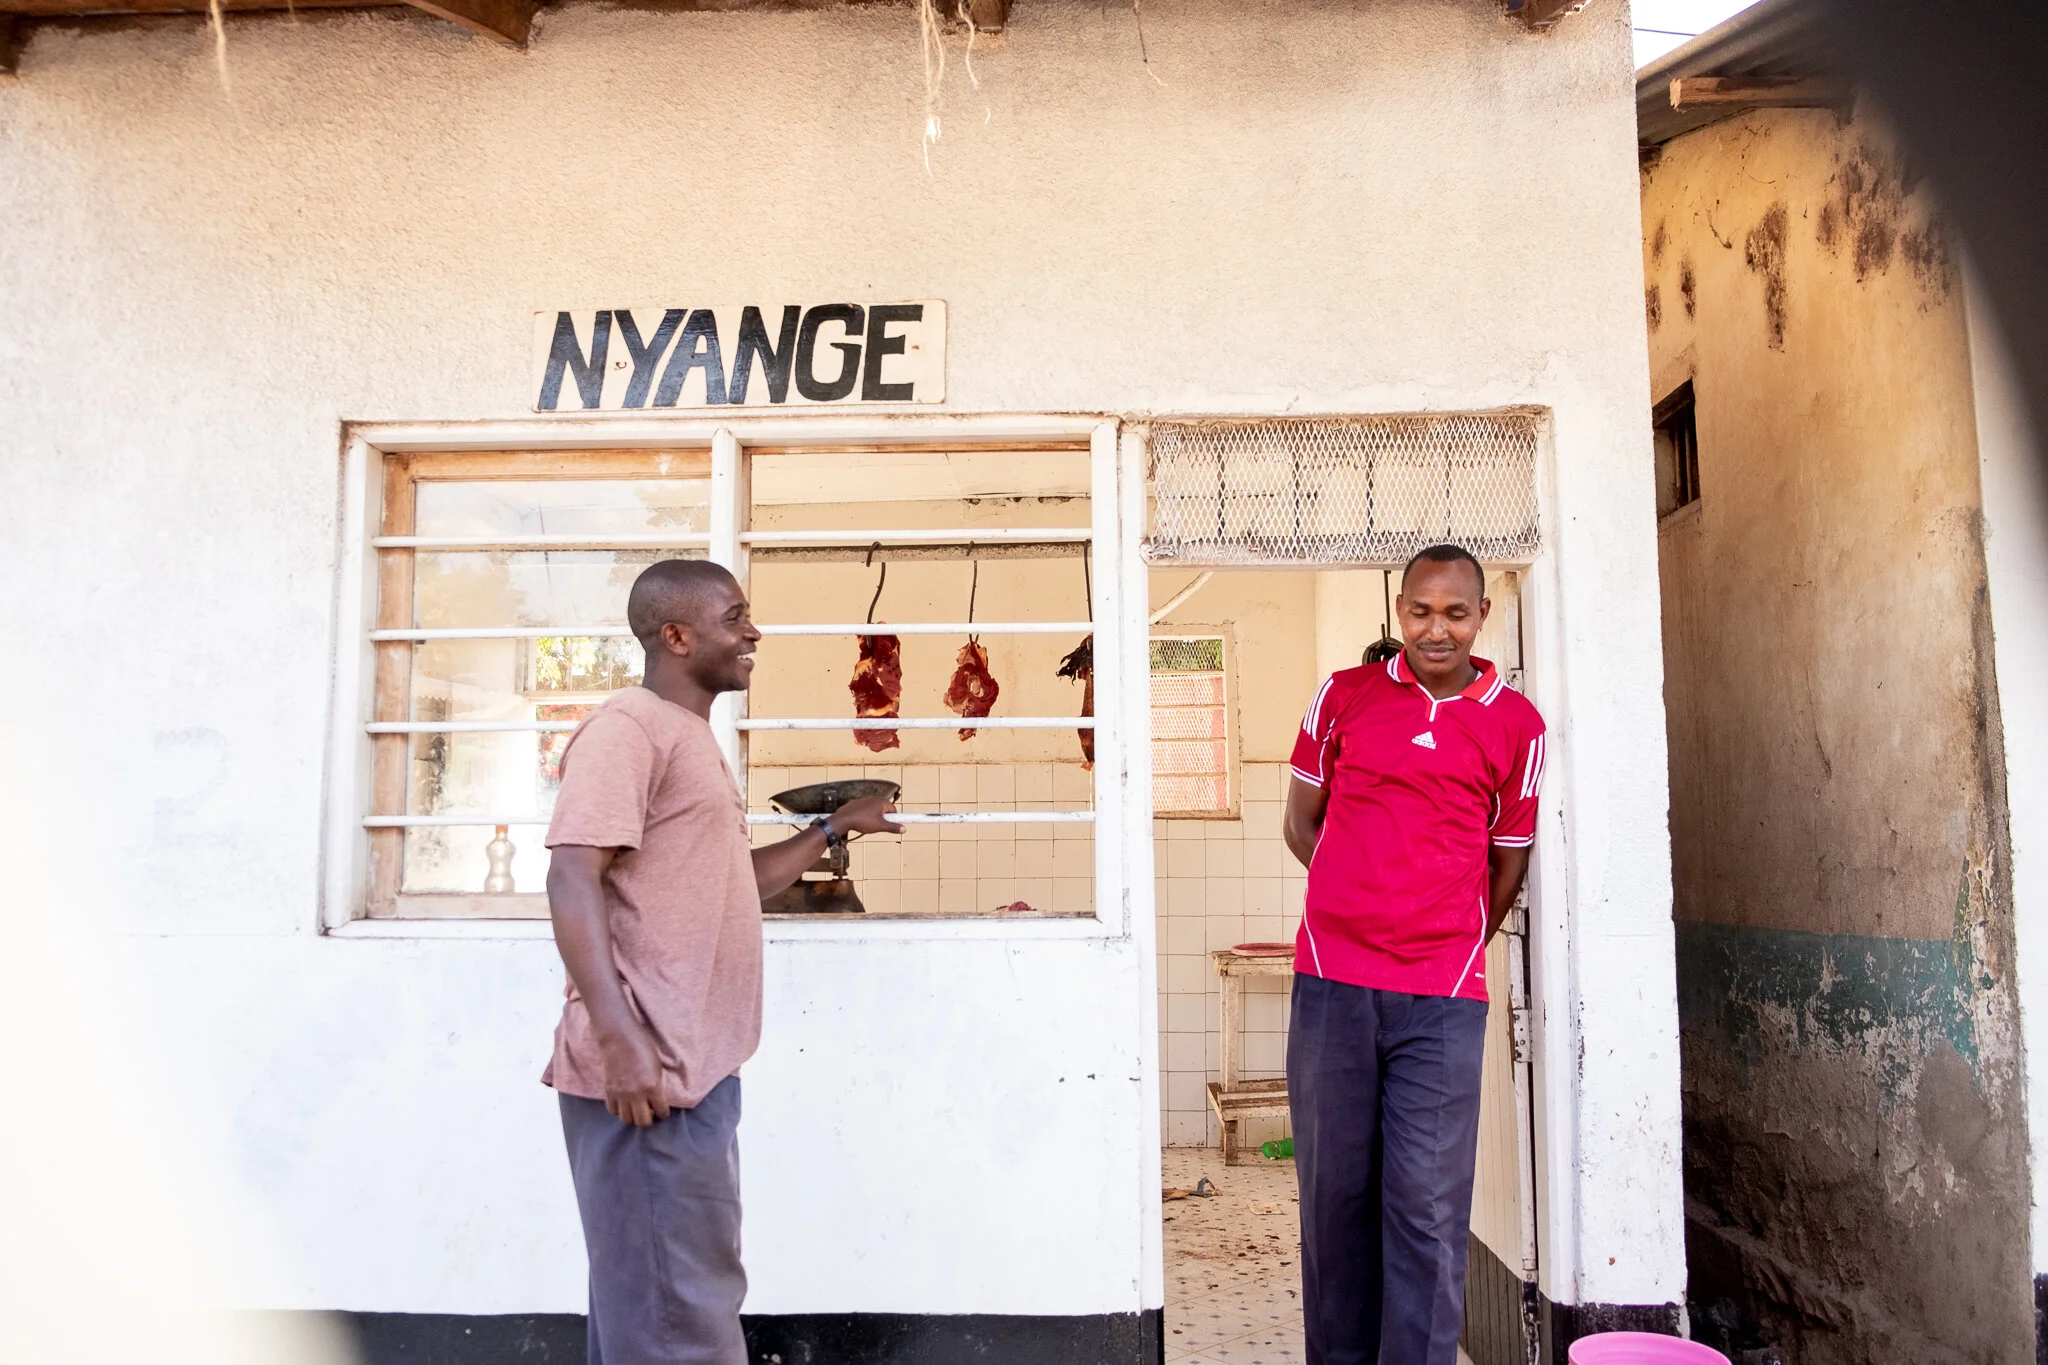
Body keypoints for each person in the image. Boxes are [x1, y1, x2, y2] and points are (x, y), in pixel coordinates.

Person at [542, 558, 900, 1365]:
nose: (753, 631)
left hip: (689, 1071)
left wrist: (832, 830)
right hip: (648, 1074)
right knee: (679, 1318)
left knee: (656, 1306)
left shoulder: (687, 737)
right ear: (676, 635)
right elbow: (571, 875)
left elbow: (738, 881)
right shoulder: (629, 728)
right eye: (735, 616)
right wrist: (618, 1035)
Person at [1282, 543, 1547, 1365]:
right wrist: (1356, 900)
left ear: (1481, 616)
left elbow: (1509, 859)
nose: (1438, 629)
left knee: (1427, 1209)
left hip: (1442, 1001)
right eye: (1422, 612)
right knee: (1334, 1201)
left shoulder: (1516, 724)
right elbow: (1302, 823)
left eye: (1455, 612)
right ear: (1401, 613)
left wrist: (1447, 936)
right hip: (1331, 985)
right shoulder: (1343, 696)